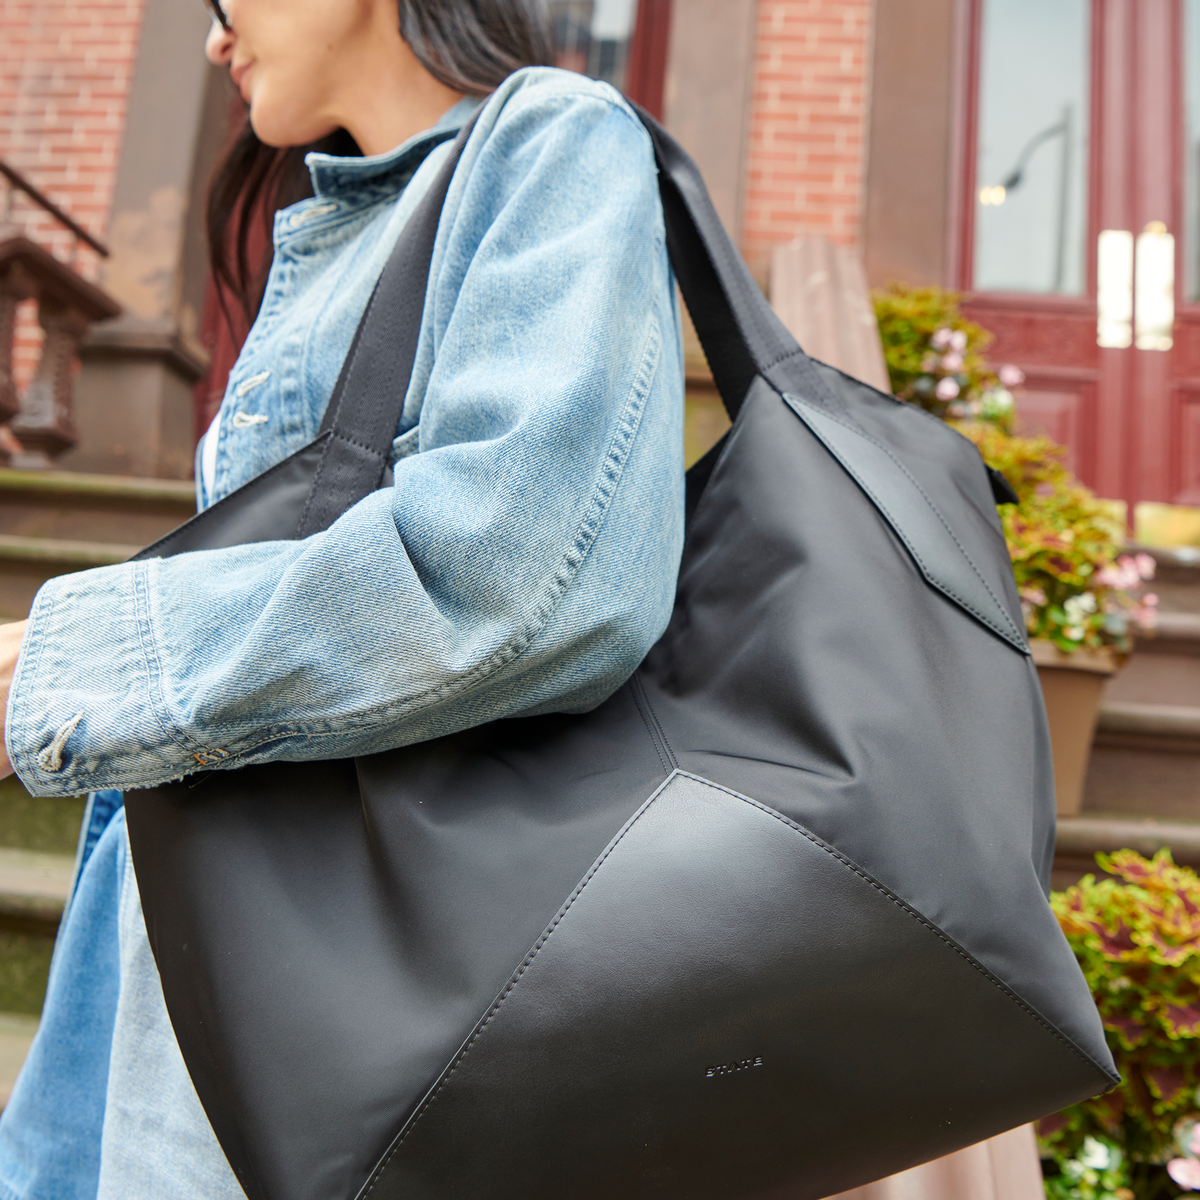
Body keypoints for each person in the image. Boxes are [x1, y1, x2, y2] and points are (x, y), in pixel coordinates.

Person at [0, 1, 684, 1195]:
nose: (215, 38)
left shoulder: (556, 139)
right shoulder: (350, 223)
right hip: (187, 943)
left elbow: (510, 576)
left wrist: (61, 665)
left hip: (307, 977)